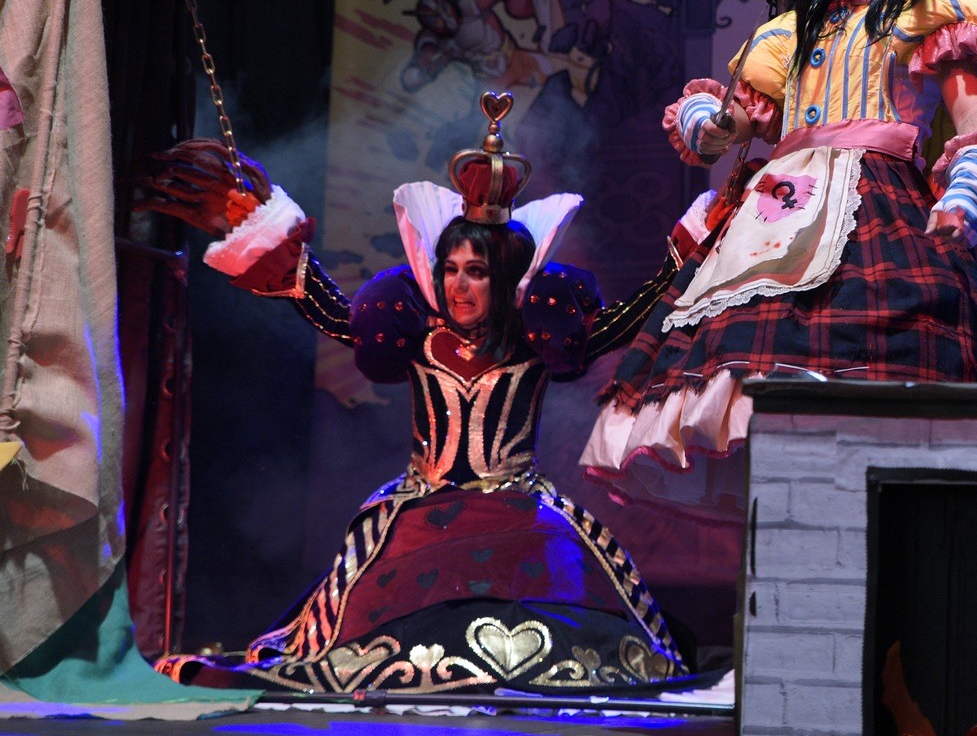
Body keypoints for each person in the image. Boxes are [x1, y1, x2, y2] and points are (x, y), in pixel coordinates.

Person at [141, 95, 692, 693]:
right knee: (364, 630)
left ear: (505, 278)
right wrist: (260, 228)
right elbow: (325, 306)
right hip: (420, 507)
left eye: (476, 272)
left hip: (519, 508)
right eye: (450, 269)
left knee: (568, 621)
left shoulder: (532, 341)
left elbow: (630, 321)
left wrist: (687, 256)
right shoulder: (417, 334)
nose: (459, 285)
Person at [584, 0, 977, 504]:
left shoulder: (934, 3)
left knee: (883, 345)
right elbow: (729, 128)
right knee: (748, 354)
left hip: (879, 203)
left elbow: (973, 119)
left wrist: (965, 190)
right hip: (781, 208)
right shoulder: (791, 31)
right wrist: (706, 118)